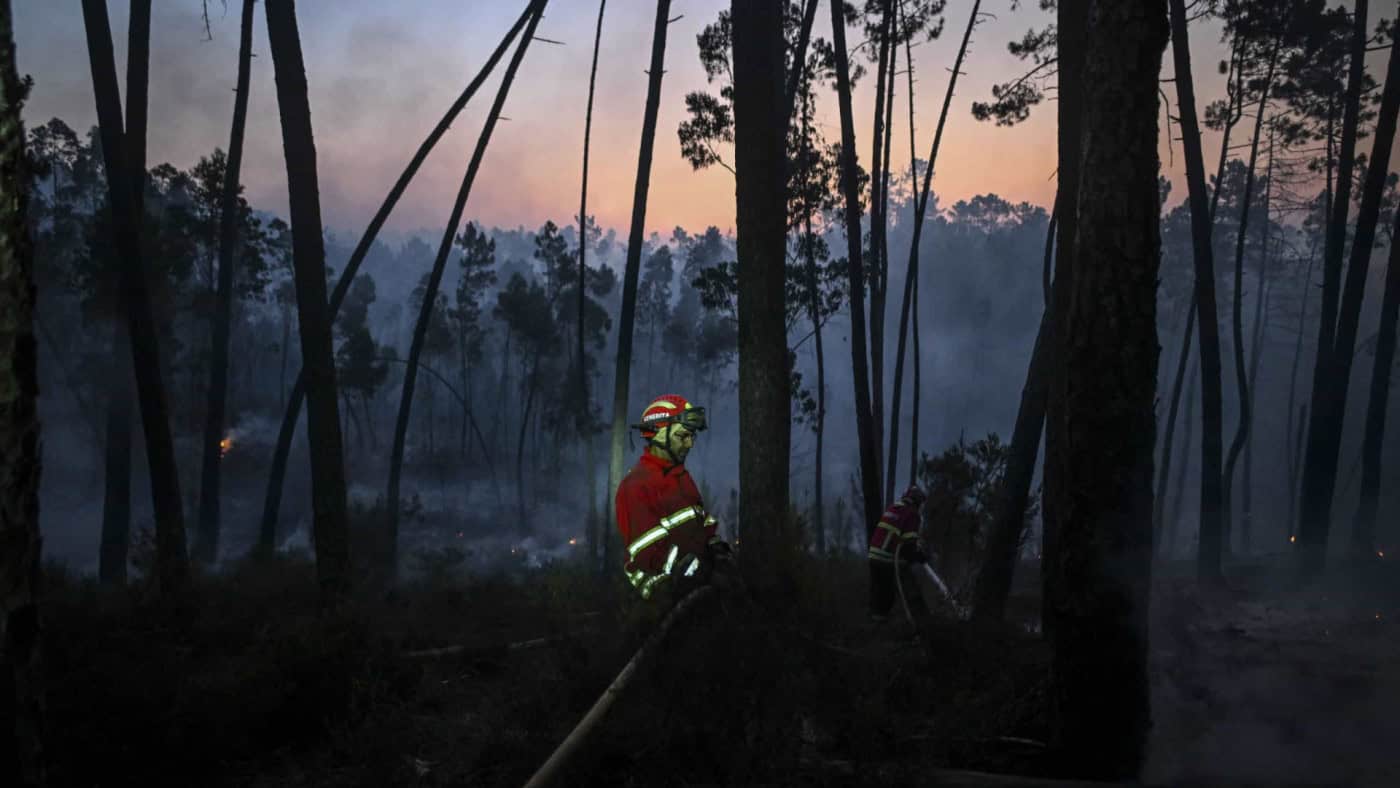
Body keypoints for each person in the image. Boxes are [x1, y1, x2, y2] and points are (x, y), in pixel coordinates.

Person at [614, 394, 732, 601]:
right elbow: (648, 553)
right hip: (658, 600)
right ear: (659, 435)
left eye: (691, 436)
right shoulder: (636, 485)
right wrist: (697, 569)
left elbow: (700, 521)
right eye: (682, 436)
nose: (689, 444)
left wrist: (714, 547)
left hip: (693, 590)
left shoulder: (681, 477)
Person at [868, 485, 930, 623]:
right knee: (896, 593)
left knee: (878, 595)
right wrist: (921, 557)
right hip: (887, 559)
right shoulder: (912, 514)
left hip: (874, 556)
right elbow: (908, 548)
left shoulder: (894, 508)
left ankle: (875, 624)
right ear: (918, 502)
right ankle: (918, 622)